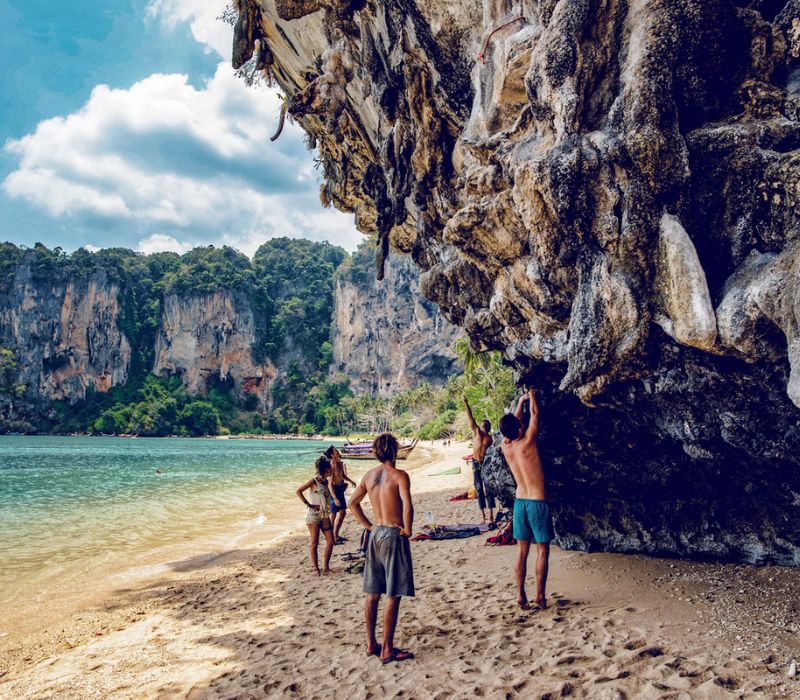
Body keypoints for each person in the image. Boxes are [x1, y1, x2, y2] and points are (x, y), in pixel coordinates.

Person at [349, 433, 415, 665]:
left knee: (372, 593)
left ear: (376, 452)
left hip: (375, 533)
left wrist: (368, 526)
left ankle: (371, 644)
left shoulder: (369, 476)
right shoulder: (400, 476)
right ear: (395, 451)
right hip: (392, 535)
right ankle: (386, 649)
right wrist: (407, 530)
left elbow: (352, 504)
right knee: (393, 593)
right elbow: (407, 506)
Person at [499, 388, 554, 611]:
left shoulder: (506, 446)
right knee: (542, 550)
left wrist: (519, 402)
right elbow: (536, 413)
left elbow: (512, 424)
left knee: (522, 551)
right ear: (520, 428)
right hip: (537, 502)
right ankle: (539, 596)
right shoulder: (529, 441)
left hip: (519, 502)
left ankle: (520, 595)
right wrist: (530, 396)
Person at [296, 456, 336, 576]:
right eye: (330, 469)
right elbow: (298, 491)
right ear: (325, 470)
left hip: (324, 516)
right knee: (314, 542)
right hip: (313, 516)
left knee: (331, 541)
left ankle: (326, 567)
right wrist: (309, 504)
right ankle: (315, 569)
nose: (332, 471)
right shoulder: (313, 481)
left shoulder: (326, 481)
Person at [463, 396, 495, 522]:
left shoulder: (490, 439)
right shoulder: (476, 432)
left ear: (487, 427)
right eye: (482, 425)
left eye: (485, 425)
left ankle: (491, 515)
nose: (483, 427)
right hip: (476, 463)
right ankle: (483, 516)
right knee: (479, 489)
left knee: (488, 489)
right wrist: (466, 403)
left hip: (485, 465)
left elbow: (491, 454)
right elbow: (470, 417)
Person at [325, 445, 357, 544]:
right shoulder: (331, 466)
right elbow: (329, 485)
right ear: (331, 454)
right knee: (333, 514)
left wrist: (351, 481)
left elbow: (342, 476)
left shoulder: (339, 463)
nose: (337, 452)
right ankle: (331, 538)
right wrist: (334, 498)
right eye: (335, 451)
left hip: (340, 489)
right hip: (333, 490)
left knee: (342, 513)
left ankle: (335, 535)